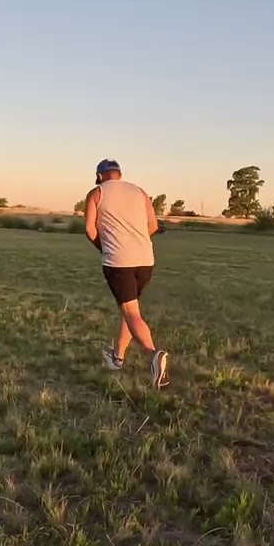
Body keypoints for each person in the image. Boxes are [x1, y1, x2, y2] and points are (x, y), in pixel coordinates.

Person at [82, 159, 168, 388]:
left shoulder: (96, 193)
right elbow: (153, 226)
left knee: (130, 312)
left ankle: (153, 356)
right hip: (145, 261)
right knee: (130, 310)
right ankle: (117, 357)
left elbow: (90, 229)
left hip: (119, 262)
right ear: (119, 174)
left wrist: (105, 246)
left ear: (100, 176)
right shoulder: (140, 192)